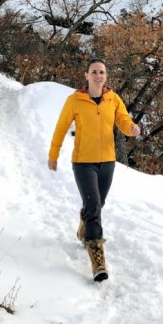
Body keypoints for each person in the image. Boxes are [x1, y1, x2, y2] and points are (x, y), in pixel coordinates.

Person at [47, 57, 141, 282]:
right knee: (93, 205)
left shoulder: (113, 99)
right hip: (83, 162)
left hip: (108, 161)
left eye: (102, 72)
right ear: (86, 76)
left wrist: (131, 128)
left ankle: (84, 224)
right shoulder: (75, 100)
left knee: (98, 204)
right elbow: (61, 128)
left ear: (106, 76)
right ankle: (97, 260)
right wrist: (53, 155)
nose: (99, 76)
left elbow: (123, 121)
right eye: (94, 72)